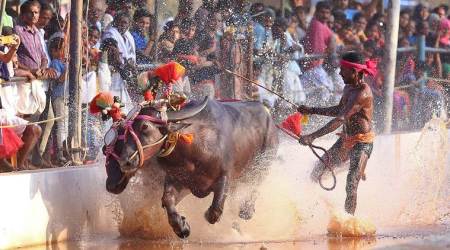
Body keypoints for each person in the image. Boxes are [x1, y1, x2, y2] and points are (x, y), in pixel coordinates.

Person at [298, 51, 376, 215]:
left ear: (354, 72)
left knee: (351, 183)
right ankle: (313, 211)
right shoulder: (348, 88)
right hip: (346, 139)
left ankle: (348, 222)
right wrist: (311, 110)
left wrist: (312, 136)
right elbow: (340, 109)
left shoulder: (362, 93)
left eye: (343, 70)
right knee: (316, 172)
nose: (339, 73)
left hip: (362, 143)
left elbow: (341, 119)